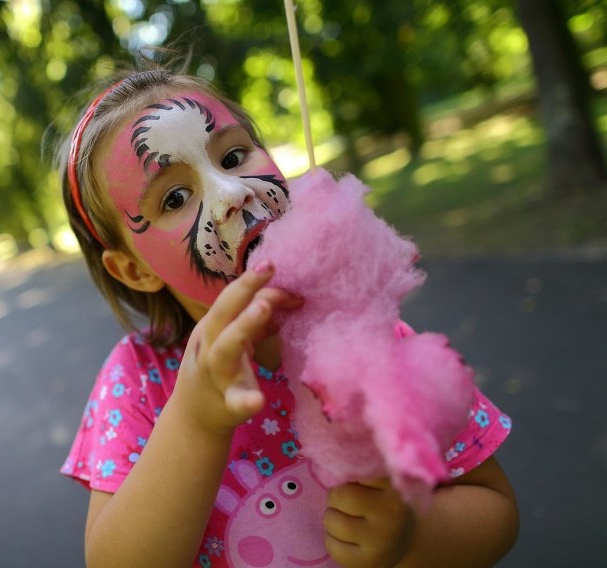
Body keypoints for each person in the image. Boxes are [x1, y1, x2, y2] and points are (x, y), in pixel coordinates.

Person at [58, 62, 519, 568]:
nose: (234, 194)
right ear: (132, 269)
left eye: (233, 156)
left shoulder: (366, 330)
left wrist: (411, 538)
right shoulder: (139, 378)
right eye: (175, 197)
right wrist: (195, 418)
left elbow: (496, 508)